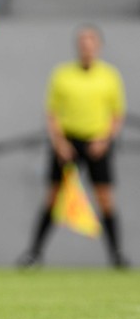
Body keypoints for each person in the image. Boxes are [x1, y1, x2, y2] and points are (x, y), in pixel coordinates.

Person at [19, 26, 128, 268]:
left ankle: (117, 256)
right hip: (67, 142)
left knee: (105, 200)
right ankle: (33, 254)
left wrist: (105, 140)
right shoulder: (62, 74)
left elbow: (117, 115)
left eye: (91, 40)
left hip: (98, 142)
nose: (86, 45)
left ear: (98, 45)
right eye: (83, 41)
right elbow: (52, 114)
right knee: (53, 198)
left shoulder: (110, 76)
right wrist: (60, 143)